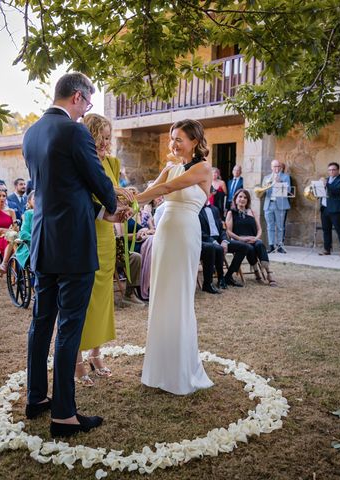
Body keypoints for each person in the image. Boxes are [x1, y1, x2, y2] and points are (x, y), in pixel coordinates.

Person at [23, 72, 127, 438]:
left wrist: (101, 212)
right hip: (73, 248)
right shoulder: (75, 131)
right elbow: (97, 180)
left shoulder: (32, 133)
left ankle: (36, 397)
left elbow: (61, 190)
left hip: (43, 242)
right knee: (69, 327)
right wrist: (114, 204)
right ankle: (64, 414)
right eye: (88, 103)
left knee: (40, 323)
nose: (88, 111)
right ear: (78, 97)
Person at [135, 118, 214, 395]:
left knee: (179, 296)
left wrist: (134, 199)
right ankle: (159, 369)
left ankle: (180, 370)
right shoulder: (169, 167)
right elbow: (149, 194)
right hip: (165, 233)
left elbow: (167, 189)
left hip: (184, 232)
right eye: (172, 138)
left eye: (179, 138)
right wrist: (125, 201)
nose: (174, 143)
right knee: (162, 295)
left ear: (194, 140)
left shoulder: (204, 168)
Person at [73, 113, 138, 387]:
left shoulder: (113, 162)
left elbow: (114, 197)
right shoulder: (80, 163)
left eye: (108, 137)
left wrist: (125, 204)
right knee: (82, 300)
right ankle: (76, 360)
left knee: (103, 298)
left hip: (107, 238)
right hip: (85, 235)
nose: (104, 143)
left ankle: (97, 353)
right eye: (99, 137)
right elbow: (83, 200)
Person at [226, 189, 277, 286]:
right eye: (240, 197)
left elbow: (259, 229)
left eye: (245, 197)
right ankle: (256, 271)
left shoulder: (252, 212)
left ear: (248, 200)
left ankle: (268, 271)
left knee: (259, 244)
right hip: (240, 240)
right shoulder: (231, 213)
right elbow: (228, 231)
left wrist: (256, 237)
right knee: (249, 247)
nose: (242, 199)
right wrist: (241, 239)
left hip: (253, 239)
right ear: (235, 199)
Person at [199, 200, 247, 293]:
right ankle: (220, 279)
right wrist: (214, 242)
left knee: (243, 247)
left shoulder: (215, 209)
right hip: (206, 240)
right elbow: (200, 232)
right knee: (218, 248)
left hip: (220, 239)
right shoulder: (196, 209)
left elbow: (222, 229)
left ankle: (228, 276)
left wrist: (224, 240)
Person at [319, 162, 340, 257]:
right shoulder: (326, 180)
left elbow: (337, 191)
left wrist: (326, 184)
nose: (331, 171)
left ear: (338, 170)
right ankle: (327, 249)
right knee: (326, 230)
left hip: (336, 210)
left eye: (333, 170)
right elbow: (321, 192)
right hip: (324, 208)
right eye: (329, 170)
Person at [262, 159, 291, 253]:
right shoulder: (266, 178)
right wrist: (270, 183)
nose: (277, 168)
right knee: (270, 226)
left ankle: (279, 246)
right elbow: (263, 190)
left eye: (278, 166)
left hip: (280, 205)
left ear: (281, 167)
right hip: (269, 204)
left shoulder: (285, 177)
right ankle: (271, 246)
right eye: (275, 166)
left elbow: (289, 190)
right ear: (271, 167)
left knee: (280, 226)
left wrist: (278, 182)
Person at [15, 191, 35, 269]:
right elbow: (23, 233)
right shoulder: (29, 213)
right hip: (31, 246)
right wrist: (36, 240)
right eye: (35, 199)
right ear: (29, 202)